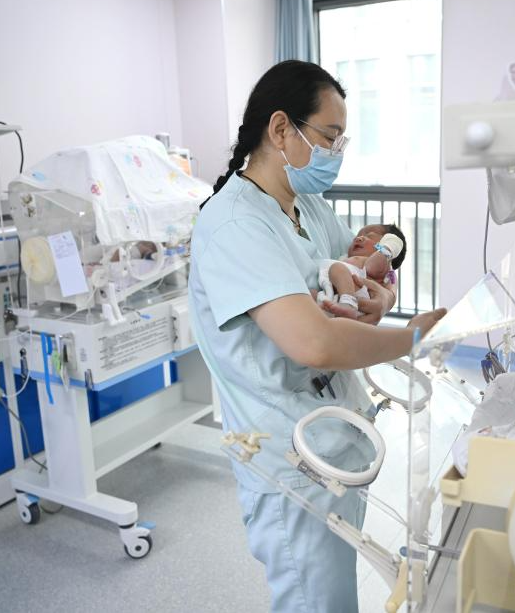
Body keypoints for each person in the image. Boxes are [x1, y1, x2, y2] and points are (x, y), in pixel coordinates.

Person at [188, 60, 446, 613]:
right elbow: (315, 343)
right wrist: (409, 337)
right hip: (291, 456)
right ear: (281, 129)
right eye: (330, 137)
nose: (336, 152)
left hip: (336, 434)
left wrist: (380, 300)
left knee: (335, 594)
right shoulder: (235, 226)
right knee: (316, 602)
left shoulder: (306, 206)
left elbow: (365, 272)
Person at [317, 223, 406, 319]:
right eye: (357, 236)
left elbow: (379, 269)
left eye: (369, 236)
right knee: (312, 293)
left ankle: (348, 303)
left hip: (356, 296)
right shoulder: (345, 257)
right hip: (331, 298)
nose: (358, 238)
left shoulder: (382, 266)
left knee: (337, 268)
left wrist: (387, 249)